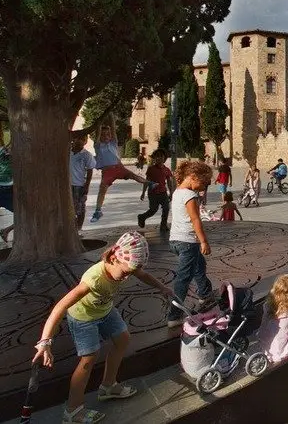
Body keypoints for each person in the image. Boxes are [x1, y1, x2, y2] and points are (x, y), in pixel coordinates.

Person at [32, 232, 172, 424]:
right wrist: (45, 342)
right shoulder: (93, 279)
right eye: (126, 272)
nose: (127, 276)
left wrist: (162, 287)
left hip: (104, 310)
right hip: (83, 318)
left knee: (122, 339)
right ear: (114, 258)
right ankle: (73, 411)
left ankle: (108, 386)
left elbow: (143, 275)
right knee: (89, 358)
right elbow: (60, 306)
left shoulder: (127, 264)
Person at [166, 160, 214, 328]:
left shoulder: (177, 192)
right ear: (193, 177)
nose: (205, 187)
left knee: (199, 265)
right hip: (188, 241)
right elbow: (195, 220)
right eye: (204, 182)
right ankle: (174, 316)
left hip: (175, 240)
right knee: (183, 278)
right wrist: (204, 241)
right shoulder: (190, 196)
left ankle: (205, 293)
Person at [90, 116, 155, 223]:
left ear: (110, 136)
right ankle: (98, 211)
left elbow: (113, 129)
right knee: (102, 189)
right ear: (99, 136)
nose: (105, 136)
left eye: (107, 134)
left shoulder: (113, 143)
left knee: (134, 176)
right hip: (107, 171)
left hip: (119, 168)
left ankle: (149, 183)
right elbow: (98, 131)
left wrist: (110, 115)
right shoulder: (98, 145)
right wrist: (100, 119)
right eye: (102, 134)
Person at [137, 149, 174, 234]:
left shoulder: (167, 170)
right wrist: (143, 192)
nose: (159, 158)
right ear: (154, 158)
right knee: (153, 210)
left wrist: (171, 193)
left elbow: (169, 182)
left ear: (164, 158)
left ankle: (163, 225)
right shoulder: (151, 169)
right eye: (157, 156)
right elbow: (146, 181)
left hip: (163, 193)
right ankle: (142, 217)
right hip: (153, 193)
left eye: (161, 156)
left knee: (166, 208)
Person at [70, 136, 96, 232]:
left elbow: (90, 170)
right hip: (67, 185)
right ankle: (71, 228)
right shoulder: (67, 152)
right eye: (78, 138)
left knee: (80, 208)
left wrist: (87, 185)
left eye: (83, 139)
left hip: (79, 185)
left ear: (85, 142)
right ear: (74, 139)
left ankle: (79, 228)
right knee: (69, 208)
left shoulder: (87, 155)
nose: (80, 141)